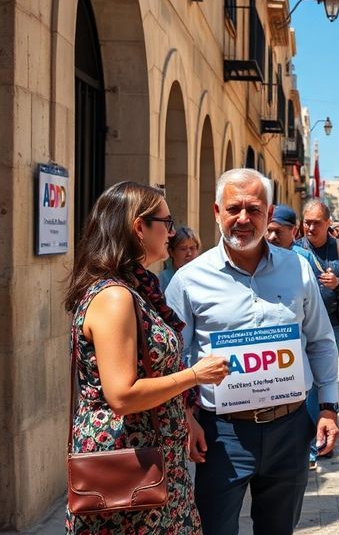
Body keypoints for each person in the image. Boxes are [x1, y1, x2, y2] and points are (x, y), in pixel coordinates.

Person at [165, 169, 339, 535]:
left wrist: (328, 407)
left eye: (254, 209)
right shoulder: (189, 280)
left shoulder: (298, 268)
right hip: (221, 435)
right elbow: (172, 358)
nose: (243, 218)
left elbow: (320, 341)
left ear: (269, 213)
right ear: (217, 212)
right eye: (234, 208)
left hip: (290, 429)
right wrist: (186, 416)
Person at [64, 182, 228, 534]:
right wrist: (195, 375)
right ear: (139, 227)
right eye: (166, 222)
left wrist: (186, 416)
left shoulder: (136, 289)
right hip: (128, 469)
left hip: (153, 460)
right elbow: (122, 395)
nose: (172, 232)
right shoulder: (115, 297)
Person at [298, 199, 339, 466]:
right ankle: (310, 442)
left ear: (328, 223)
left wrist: (338, 283)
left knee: (321, 381)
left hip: (332, 326)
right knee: (305, 383)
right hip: (301, 328)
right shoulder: (295, 250)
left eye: (316, 223)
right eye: (307, 223)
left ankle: (318, 441)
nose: (311, 228)